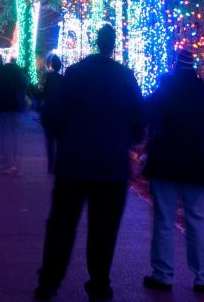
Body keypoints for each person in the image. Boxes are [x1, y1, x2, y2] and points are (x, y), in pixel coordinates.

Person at [35, 24, 145, 302]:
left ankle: (49, 281)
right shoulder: (124, 76)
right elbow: (139, 120)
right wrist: (124, 141)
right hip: (111, 165)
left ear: (96, 42)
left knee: (62, 224)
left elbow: (50, 115)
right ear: (113, 44)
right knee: (104, 227)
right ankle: (98, 284)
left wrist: (65, 137)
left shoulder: (75, 74)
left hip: (74, 161)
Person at [141, 49, 204, 294]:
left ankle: (163, 275)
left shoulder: (163, 91)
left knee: (164, 220)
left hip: (165, 161)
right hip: (197, 161)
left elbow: (147, 114)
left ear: (175, 66)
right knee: (197, 219)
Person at [0, 57, 27, 175]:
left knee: (2, 133)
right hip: (14, 105)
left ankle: (2, 161)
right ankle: (14, 163)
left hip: (1, 106)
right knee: (14, 134)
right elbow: (25, 83)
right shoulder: (16, 71)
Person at [38, 54, 64, 174]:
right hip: (59, 112)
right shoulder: (62, 79)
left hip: (49, 111)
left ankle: (50, 165)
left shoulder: (48, 78)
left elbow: (44, 94)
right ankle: (58, 164)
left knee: (49, 140)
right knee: (59, 140)